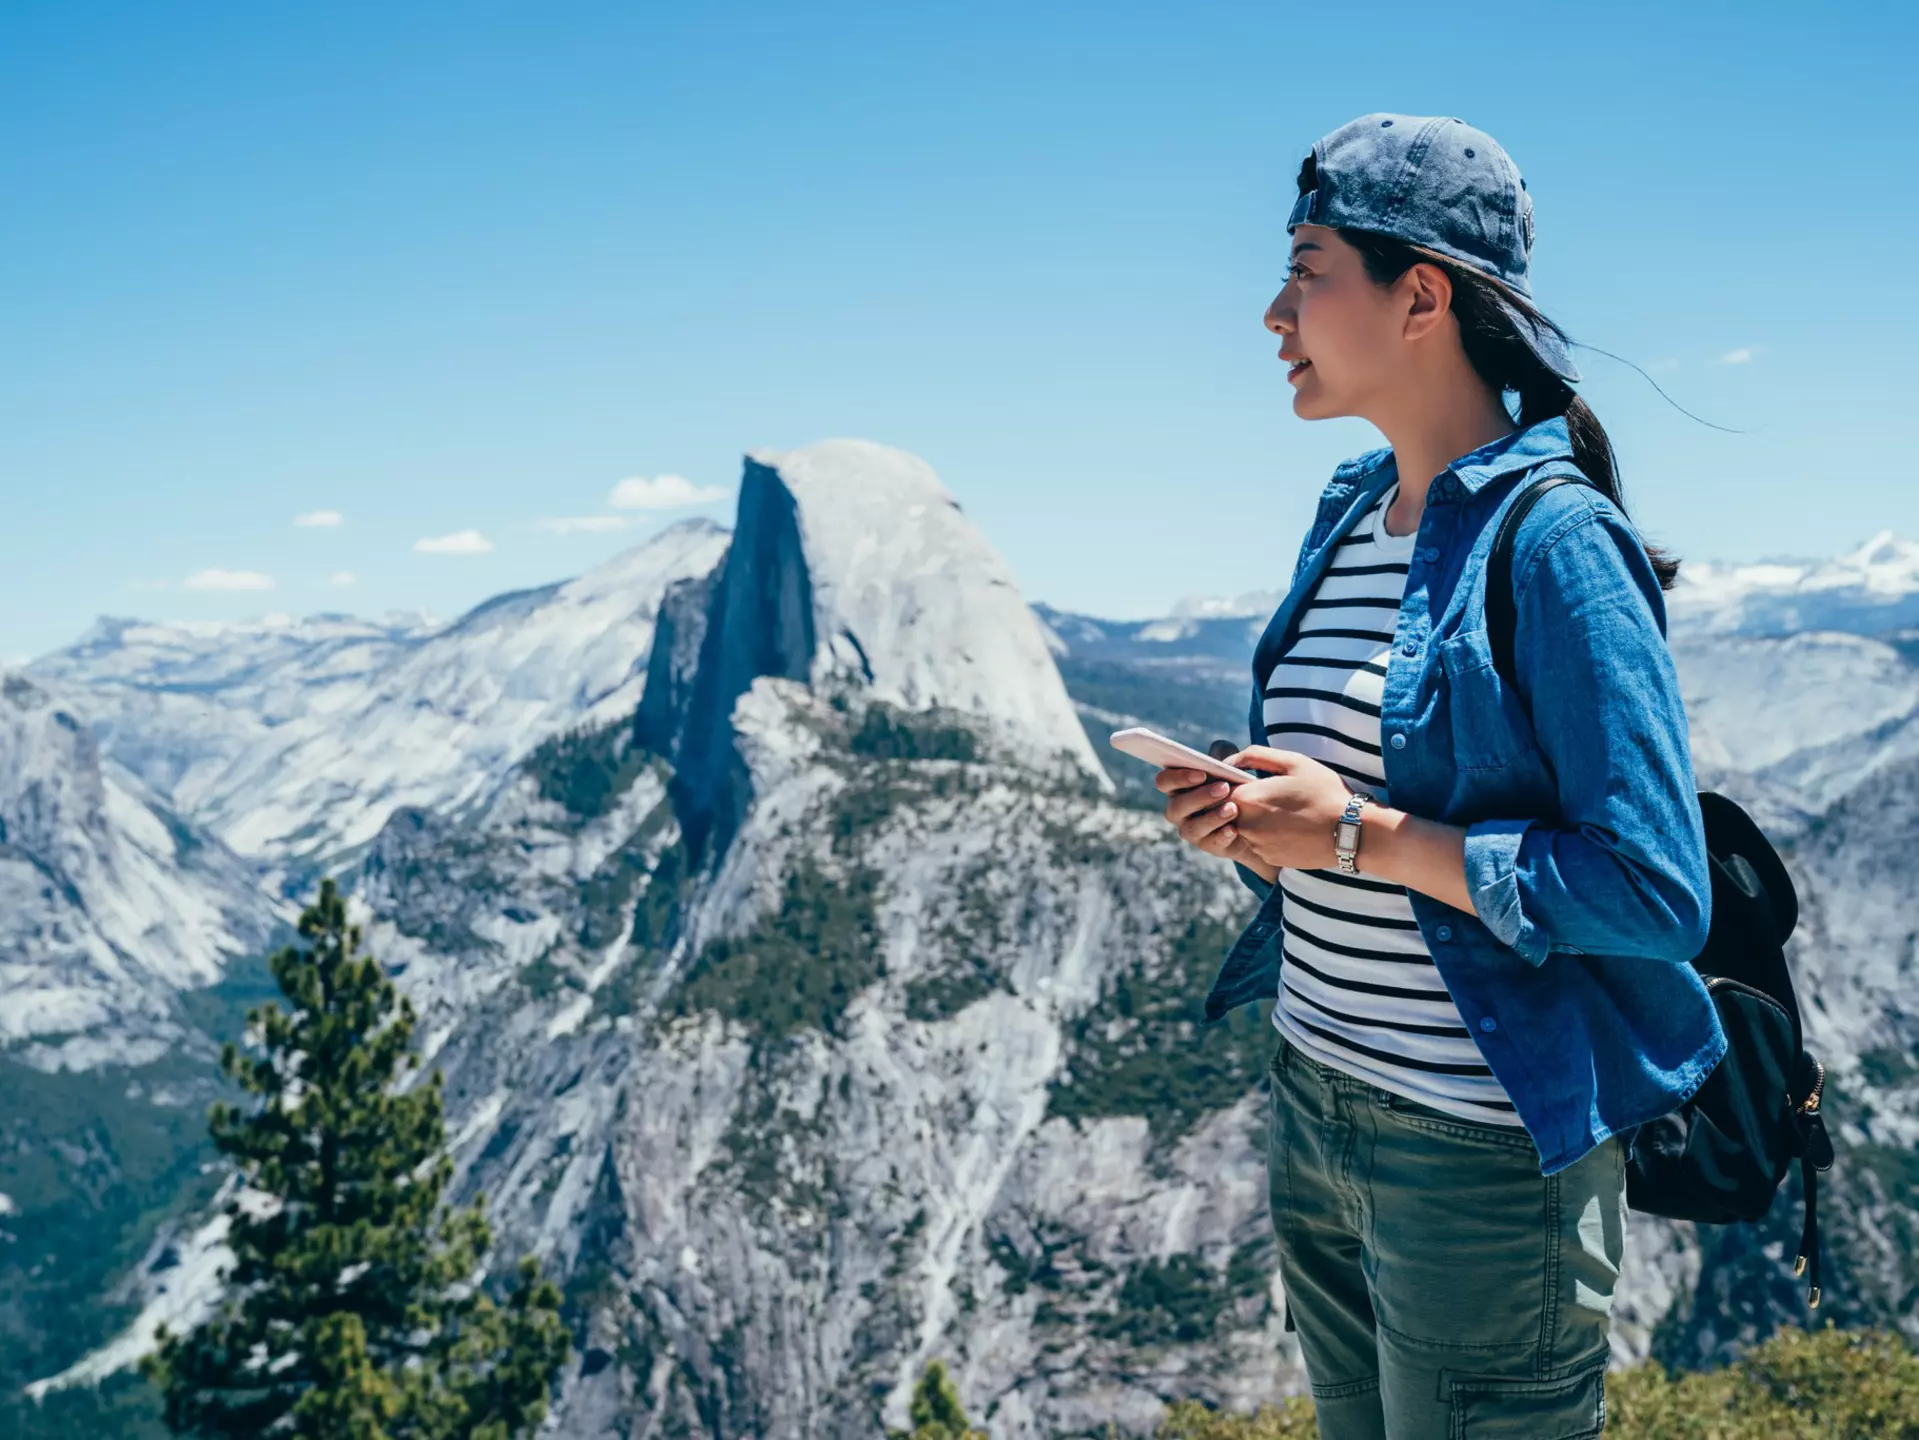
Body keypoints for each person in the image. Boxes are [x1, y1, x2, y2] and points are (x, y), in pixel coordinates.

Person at [1155, 113, 1722, 1439]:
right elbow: (1348, 791)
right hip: (1315, 1092)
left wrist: (1350, 832)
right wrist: (1251, 820)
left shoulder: (1555, 542)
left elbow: (1650, 891)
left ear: (1421, 295)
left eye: (1306, 270)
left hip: (1476, 1154)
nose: (1269, 312)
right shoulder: (1349, 513)